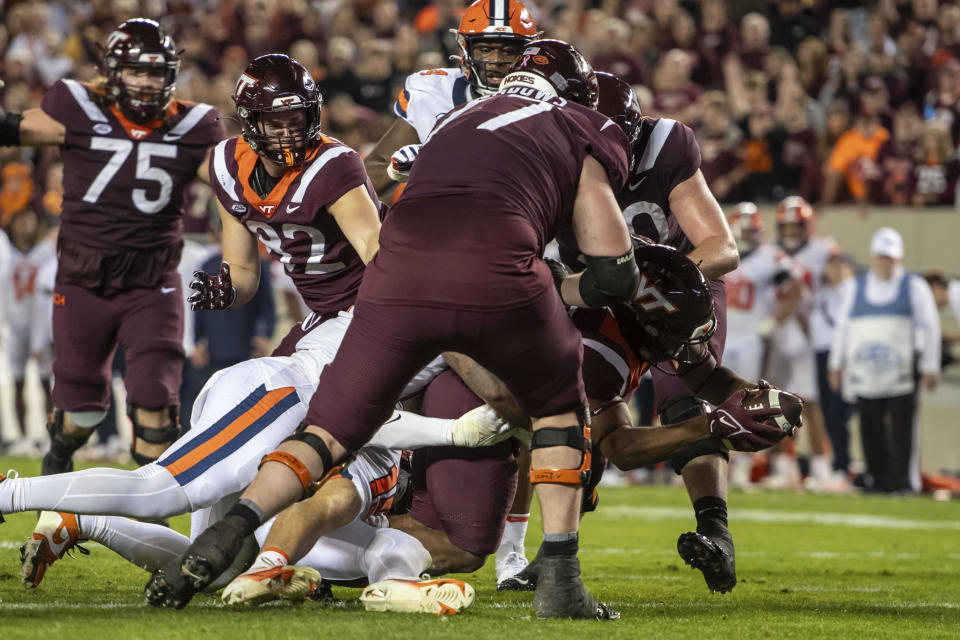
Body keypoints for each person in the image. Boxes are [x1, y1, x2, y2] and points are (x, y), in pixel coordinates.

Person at [144, 39, 640, 620]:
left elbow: (396, 179)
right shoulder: (578, 123)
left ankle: (233, 528)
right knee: (556, 409)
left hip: (394, 274)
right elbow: (613, 273)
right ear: (577, 97)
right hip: (495, 268)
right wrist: (560, 281)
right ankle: (560, 579)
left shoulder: (456, 116)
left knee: (326, 432)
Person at [0, 19, 225, 472]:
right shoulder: (76, 105)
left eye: (156, 72)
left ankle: (140, 524)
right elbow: (15, 129)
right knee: (80, 414)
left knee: (157, 413)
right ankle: (57, 468)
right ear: (114, 71)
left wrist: (240, 267)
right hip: (84, 279)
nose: (146, 82)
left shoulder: (195, 124)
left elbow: (234, 193)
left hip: (152, 281)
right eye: (137, 72)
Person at [552, 71, 743, 594]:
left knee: (684, 394)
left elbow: (721, 247)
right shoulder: (550, 154)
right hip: (597, 295)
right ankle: (552, 550)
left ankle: (715, 531)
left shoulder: (668, 144)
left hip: (678, 290)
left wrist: (664, 290)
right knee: (578, 405)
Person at [364, 0, 539, 196]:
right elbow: (366, 179)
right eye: (486, 50)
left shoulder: (547, 101)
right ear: (465, 49)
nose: (496, 60)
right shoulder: (432, 92)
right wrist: (394, 171)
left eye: (508, 51)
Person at [828, 227, 941, 493]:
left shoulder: (914, 286)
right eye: (881, 257)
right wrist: (836, 364)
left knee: (903, 431)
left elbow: (930, 326)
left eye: (890, 257)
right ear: (874, 257)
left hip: (901, 374)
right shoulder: (856, 286)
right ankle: (878, 481)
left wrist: (930, 365)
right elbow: (842, 327)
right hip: (866, 374)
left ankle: (902, 483)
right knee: (869, 429)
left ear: (898, 259)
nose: (885, 262)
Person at [3, 209, 56, 452]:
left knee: (47, 381)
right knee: (17, 380)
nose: (24, 227)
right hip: (14, 324)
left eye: (29, 221)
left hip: (40, 324)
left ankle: (49, 436)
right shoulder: (5, 251)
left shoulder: (45, 252)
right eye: (20, 221)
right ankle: (23, 437)